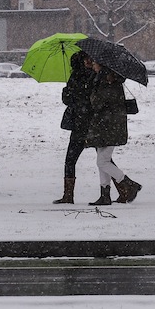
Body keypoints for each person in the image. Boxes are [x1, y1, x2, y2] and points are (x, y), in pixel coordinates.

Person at [85, 59, 142, 206]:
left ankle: (129, 183)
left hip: (110, 126)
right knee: (102, 160)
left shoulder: (107, 81)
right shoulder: (105, 79)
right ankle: (105, 195)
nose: (93, 65)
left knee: (102, 161)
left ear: (102, 65)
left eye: (95, 63)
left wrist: (91, 96)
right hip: (106, 125)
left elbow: (98, 103)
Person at [54, 51, 94, 204]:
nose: (90, 61)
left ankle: (68, 195)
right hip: (91, 123)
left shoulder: (76, 78)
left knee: (70, 160)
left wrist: (66, 92)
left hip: (80, 125)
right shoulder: (93, 76)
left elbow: (70, 100)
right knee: (104, 159)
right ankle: (124, 186)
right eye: (87, 59)